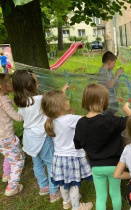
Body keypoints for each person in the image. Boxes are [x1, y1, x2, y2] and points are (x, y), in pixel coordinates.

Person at [73, 84, 131, 210]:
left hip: (96, 167)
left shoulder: (81, 123)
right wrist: (126, 108)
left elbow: (77, 144)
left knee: (101, 196)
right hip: (115, 166)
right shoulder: (110, 120)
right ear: (102, 101)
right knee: (115, 193)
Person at [12, 70, 61, 202]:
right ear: (30, 85)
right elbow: (53, 107)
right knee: (51, 164)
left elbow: (22, 118)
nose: (38, 83)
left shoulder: (22, 102)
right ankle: (54, 192)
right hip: (41, 137)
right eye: (36, 81)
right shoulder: (39, 100)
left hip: (29, 138)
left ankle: (43, 187)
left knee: (38, 164)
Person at [41, 88, 93, 210]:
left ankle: (66, 202)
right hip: (72, 157)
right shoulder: (69, 119)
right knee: (74, 185)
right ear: (60, 106)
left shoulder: (52, 120)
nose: (68, 100)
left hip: (59, 157)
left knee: (63, 183)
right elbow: (87, 120)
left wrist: (71, 116)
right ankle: (76, 207)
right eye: (65, 99)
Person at [0, 74, 25, 196]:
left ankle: (6, 174)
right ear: (2, 87)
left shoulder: (3, 98)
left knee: (8, 154)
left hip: (1, 138)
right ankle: (12, 187)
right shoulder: (3, 101)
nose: (12, 84)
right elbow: (16, 116)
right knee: (18, 160)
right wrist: (26, 116)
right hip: (7, 136)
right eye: (9, 82)